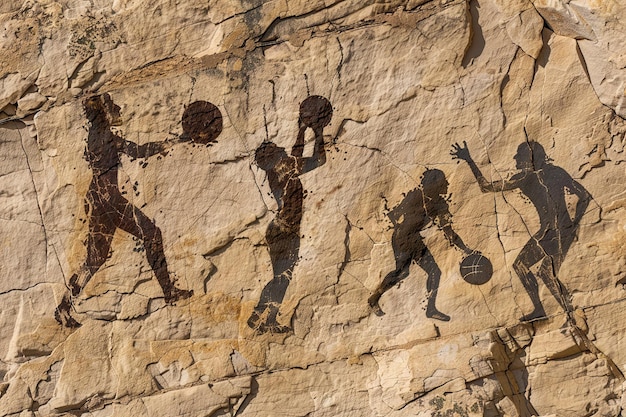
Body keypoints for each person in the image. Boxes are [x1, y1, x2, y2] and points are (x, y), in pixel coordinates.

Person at [55, 93, 197, 328]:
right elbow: (139, 151)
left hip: (99, 201)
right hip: (111, 201)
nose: (118, 108)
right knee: (152, 234)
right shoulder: (106, 137)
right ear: (104, 112)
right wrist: (176, 141)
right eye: (112, 106)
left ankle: (63, 308)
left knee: (94, 260)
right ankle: (169, 292)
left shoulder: (96, 136)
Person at [450, 140, 591, 321]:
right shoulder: (550, 173)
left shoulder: (528, 178)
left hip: (553, 233)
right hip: (559, 231)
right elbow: (584, 196)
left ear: (529, 158)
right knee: (544, 272)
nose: (516, 160)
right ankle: (563, 310)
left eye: (519, 157)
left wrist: (469, 160)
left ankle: (559, 311)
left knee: (534, 269)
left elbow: (486, 186)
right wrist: (573, 224)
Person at [247, 95, 332, 333]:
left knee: (280, 277)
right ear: (276, 155)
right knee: (282, 277)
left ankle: (258, 316)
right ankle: (268, 319)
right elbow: (319, 159)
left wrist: (301, 130)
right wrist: (317, 131)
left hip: (279, 228)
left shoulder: (277, 171)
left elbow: (296, 155)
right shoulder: (285, 167)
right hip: (287, 231)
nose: (283, 148)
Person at [368, 169, 473, 321]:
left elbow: (449, 232)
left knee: (431, 272)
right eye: (443, 181)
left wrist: (465, 249)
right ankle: (374, 298)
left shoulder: (439, 204)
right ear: (434, 184)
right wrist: (402, 229)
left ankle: (430, 309)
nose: (447, 183)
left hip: (413, 239)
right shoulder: (417, 195)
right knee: (402, 272)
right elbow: (394, 214)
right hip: (402, 237)